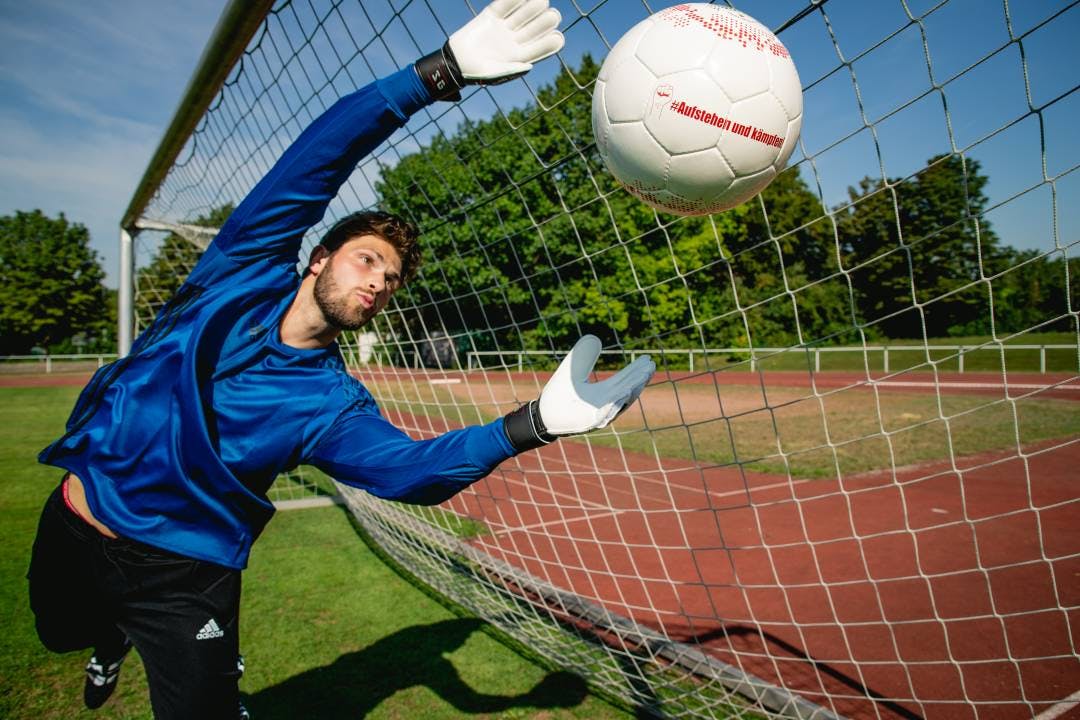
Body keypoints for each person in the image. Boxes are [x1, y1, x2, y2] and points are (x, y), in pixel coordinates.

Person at [26, 1, 655, 718]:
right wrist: (436, 73)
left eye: (390, 279)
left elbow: (409, 472)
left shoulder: (331, 403)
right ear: (319, 257)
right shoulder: (238, 270)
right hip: (77, 519)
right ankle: (108, 635)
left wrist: (533, 423)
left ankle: (140, 634)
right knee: (58, 633)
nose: (379, 283)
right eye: (368, 261)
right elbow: (316, 159)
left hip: (185, 577)